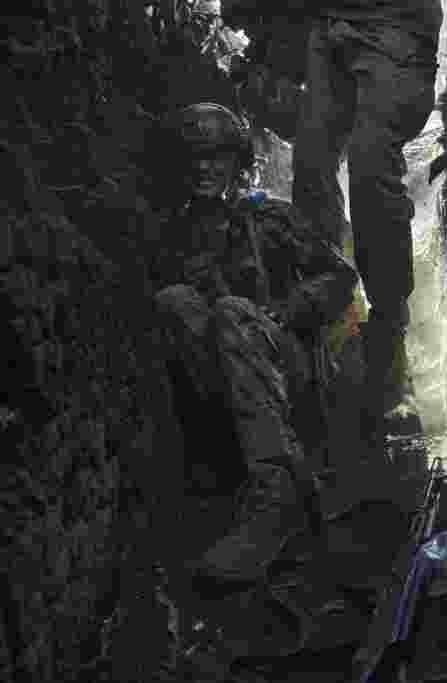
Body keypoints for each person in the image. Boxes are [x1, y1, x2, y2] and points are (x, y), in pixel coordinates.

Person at [150, 102, 359, 585]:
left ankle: (278, 491)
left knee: (231, 312)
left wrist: (289, 310)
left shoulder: (268, 218)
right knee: (173, 301)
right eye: (194, 157)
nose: (204, 168)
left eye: (216, 156)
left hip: (287, 371)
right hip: (223, 387)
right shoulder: (174, 236)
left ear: (235, 162)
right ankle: (214, 469)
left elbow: (338, 276)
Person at [290, 0, 442, 449]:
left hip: (395, 23)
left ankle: (390, 337)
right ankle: (335, 311)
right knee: (311, 166)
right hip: (331, 24)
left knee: (371, 168)